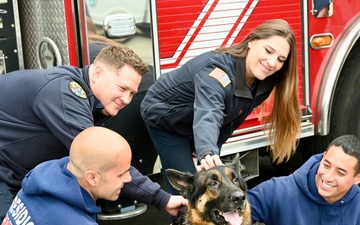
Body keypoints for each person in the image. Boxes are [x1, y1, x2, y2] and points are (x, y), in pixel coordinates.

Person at [140, 19, 301, 194]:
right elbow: (209, 112)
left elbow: (229, 121)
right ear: (252, 41)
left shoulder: (263, 81)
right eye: (268, 51)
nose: (271, 63)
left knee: (208, 179)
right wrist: (206, 152)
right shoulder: (217, 72)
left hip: (195, 120)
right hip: (166, 118)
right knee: (191, 191)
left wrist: (203, 153)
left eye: (280, 59)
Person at [0, 44, 160, 220]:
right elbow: (103, 159)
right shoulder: (65, 93)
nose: (127, 100)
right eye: (122, 89)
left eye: (132, 93)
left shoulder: (87, 96)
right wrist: (162, 198)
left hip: (16, 170)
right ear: (97, 73)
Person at [1, 127, 187, 225]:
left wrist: (163, 199)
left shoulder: (43, 177)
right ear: (92, 178)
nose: (129, 179)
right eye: (122, 173)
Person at [248, 134, 360, 225]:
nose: (328, 177)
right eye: (326, 165)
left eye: (340, 173)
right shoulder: (278, 191)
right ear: (323, 157)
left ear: (357, 178)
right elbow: (235, 214)